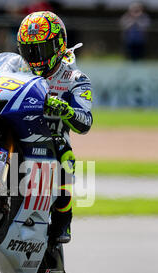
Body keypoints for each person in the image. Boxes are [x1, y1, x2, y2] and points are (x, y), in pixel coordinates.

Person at [17, 11, 93, 243]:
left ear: (59, 46)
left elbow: (85, 122)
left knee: (65, 155)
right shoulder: (16, 70)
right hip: (17, 132)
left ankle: (62, 220)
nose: (35, 56)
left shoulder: (75, 78)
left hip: (52, 139)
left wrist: (64, 109)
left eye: (42, 49)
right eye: (30, 50)